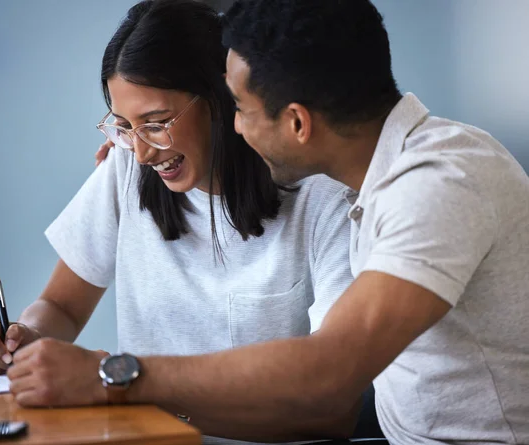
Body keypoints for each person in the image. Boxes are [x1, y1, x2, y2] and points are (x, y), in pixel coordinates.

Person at [73, 0, 529, 443]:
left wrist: (118, 378)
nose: (234, 128)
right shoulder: (383, 179)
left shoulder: (439, 184)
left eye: (241, 109)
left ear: (297, 123)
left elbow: (329, 372)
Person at [0, 1, 356, 444]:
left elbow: (331, 409)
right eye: (124, 127)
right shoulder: (127, 167)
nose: (141, 151)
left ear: (220, 98)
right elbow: (62, 307)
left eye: (156, 124)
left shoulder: (325, 200)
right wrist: (24, 338)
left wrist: (119, 389)